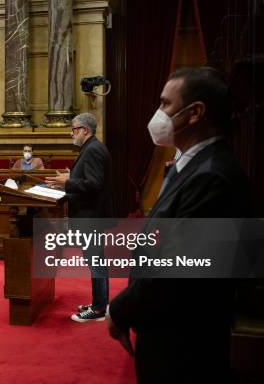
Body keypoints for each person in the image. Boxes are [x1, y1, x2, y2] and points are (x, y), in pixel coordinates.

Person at [107, 67, 251, 382]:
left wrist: (119, 309)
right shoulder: (192, 164)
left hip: (183, 340)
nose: (158, 114)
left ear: (195, 112)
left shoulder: (212, 176)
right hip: (165, 326)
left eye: (165, 104)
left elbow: (176, 269)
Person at [45, 112, 112, 322]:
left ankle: (99, 309)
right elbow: (90, 179)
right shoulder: (92, 147)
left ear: (85, 130)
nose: (71, 133)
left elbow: (94, 184)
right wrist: (72, 177)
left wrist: (67, 183)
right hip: (91, 214)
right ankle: (100, 303)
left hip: (90, 216)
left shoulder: (92, 150)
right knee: (96, 260)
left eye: (74, 129)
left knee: (96, 261)